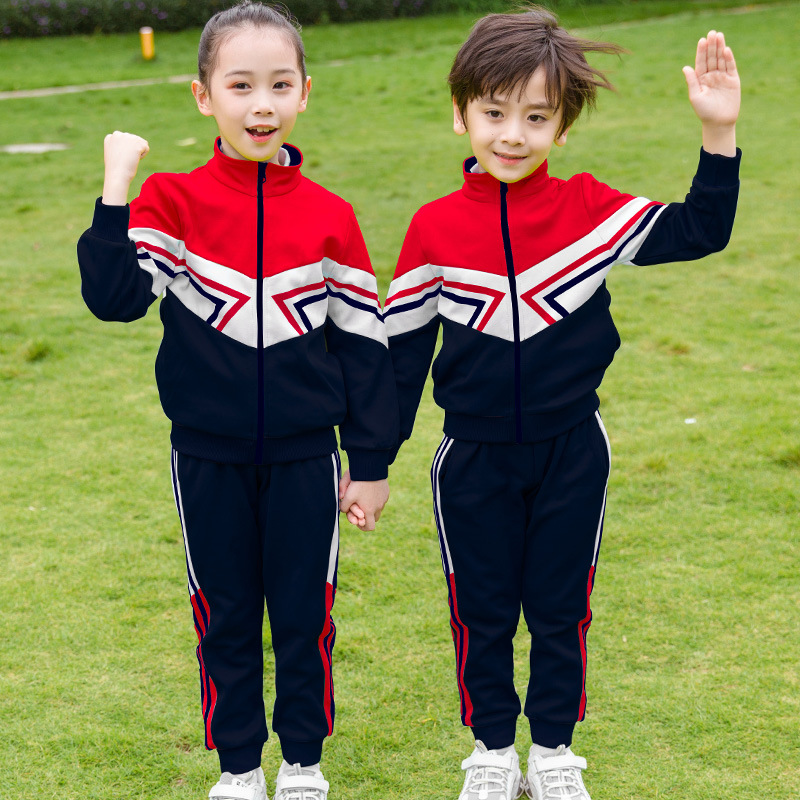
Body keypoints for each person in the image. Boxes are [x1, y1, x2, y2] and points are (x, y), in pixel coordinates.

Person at [384, 7, 740, 800]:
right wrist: (371, 465)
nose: (513, 134)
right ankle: (489, 752)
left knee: (559, 605)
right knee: (480, 611)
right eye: (495, 113)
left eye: (537, 117)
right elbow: (401, 358)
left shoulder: (591, 212)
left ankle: (552, 752)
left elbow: (702, 230)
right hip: (469, 459)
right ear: (460, 114)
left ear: (563, 127)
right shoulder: (433, 230)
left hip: (573, 449)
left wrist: (719, 133)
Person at [77, 3, 398, 798]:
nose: (262, 103)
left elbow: (364, 349)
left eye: (279, 84)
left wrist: (370, 463)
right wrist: (117, 188)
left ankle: (303, 766)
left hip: (306, 459)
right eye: (241, 85)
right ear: (203, 97)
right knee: (223, 618)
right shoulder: (172, 204)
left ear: (304, 93)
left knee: (303, 619)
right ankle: (238, 770)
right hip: (207, 456)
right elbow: (115, 297)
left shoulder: (331, 218)